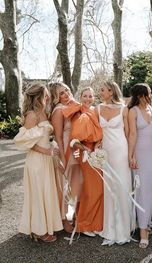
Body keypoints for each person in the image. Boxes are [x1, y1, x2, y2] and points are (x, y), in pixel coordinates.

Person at [14, 83, 63, 242]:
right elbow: (26, 142)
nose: (48, 97)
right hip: (36, 161)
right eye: (46, 95)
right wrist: (47, 151)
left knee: (46, 193)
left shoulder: (44, 111)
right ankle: (38, 231)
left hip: (47, 160)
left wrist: (52, 149)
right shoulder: (32, 115)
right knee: (37, 194)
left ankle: (45, 226)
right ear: (38, 96)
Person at [62, 87, 103, 236]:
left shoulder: (94, 111)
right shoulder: (78, 112)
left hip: (94, 151)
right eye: (85, 96)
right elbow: (74, 139)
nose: (88, 98)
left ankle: (91, 222)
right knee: (94, 188)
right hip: (82, 151)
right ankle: (84, 225)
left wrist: (98, 145)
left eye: (90, 96)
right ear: (80, 97)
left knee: (92, 188)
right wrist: (86, 149)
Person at [96, 81, 133, 245]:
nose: (100, 92)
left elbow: (128, 133)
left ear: (111, 91)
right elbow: (97, 130)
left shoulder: (124, 109)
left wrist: (131, 155)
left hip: (120, 150)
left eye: (103, 90)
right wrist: (98, 142)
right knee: (108, 186)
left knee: (121, 185)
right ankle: (110, 226)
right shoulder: (97, 108)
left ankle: (124, 227)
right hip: (106, 152)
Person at [49, 82, 82, 233]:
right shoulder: (58, 111)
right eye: (61, 93)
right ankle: (64, 220)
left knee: (77, 184)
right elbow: (59, 137)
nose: (66, 95)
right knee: (66, 186)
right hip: (64, 152)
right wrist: (63, 158)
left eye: (67, 91)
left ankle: (76, 215)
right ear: (55, 97)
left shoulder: (70, 107)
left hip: (75, 151)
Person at [128, 83, 152, 249]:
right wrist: (131, 155)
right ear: (140, 96)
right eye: (149, 93)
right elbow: (132, 134)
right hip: (138, 154)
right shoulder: (133, 111)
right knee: (139, 190)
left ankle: (146, 223)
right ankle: (142, 230)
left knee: (148, 190)